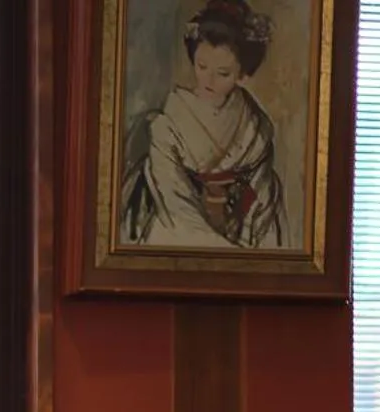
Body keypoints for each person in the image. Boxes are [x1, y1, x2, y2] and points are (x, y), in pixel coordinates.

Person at [119, 0, 287, 249]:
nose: (208, 79)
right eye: (201, 66)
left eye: (223, 73)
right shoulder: (168, 125)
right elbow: (174, 202)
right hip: (177, 224)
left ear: (242, 75)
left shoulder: (256, 130)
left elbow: (260, 196)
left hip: (241, 227)